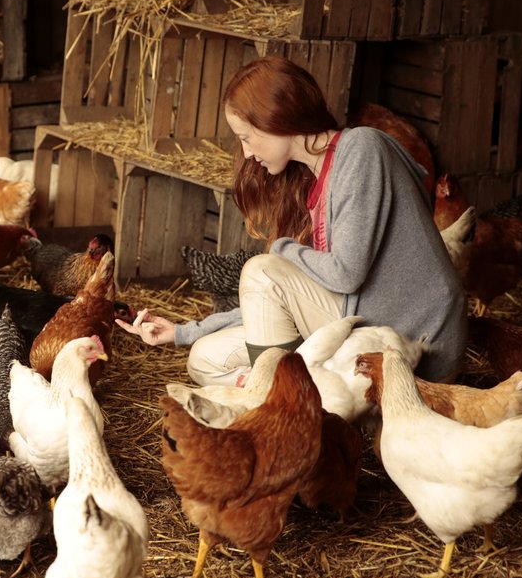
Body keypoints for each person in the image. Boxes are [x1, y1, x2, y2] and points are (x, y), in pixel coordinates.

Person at [116, 56, 466, 385]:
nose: (247, 153)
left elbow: (346, 273)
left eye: (245, 138)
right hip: (359, 322)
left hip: (413, 341)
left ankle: (283, 415)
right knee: (204, 358)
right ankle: (289, 401)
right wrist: (183, 331)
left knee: (262, 270)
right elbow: (278, 301)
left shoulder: (361, 149)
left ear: (276, 119)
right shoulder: (314, 184)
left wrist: (283, 249)